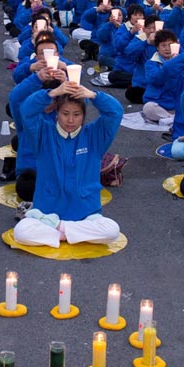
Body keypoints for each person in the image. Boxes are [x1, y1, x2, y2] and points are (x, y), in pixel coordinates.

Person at [13, 80, 123, 247]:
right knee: (21, 232)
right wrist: (52, 93)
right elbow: (27, 110)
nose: (70, 120)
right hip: (47, 214)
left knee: (112, 231)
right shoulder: (43, 134)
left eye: (76, 114)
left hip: (86, 214)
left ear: (83, 116)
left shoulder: (94, 136)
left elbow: (115, 112)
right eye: (65, 113)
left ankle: (61, 231)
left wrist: (94, 95)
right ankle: (73, 233)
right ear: (57, 113)